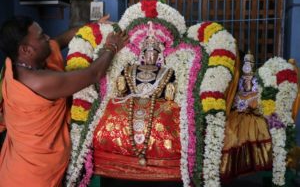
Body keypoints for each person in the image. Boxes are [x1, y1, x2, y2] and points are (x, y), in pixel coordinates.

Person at [0, 15, 128, 187]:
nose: (47, 38)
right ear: (26, 50)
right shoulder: (40, 81)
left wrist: (94, 28)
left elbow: (62, 39)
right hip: (33, 177)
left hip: (15, 166)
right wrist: (112, 46)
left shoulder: (17, 64)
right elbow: (93, 74)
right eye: (41, 36)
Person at [92, 21, 181, 181]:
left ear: (159, 55)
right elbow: (121, 89)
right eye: (147, 52)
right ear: (142, 53)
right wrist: (121, 84)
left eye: (154, 53)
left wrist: (169, 91)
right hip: (129, 101)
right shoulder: (130, 68)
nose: (150, 56)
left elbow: (169, 94)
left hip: (157, 104)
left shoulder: (167, 71)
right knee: (113, 115)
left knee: (166, 118)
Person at [220, 51, 272, 181]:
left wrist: (251, 100)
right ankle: (233, 166)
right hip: (237, 113)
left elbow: (256, 96)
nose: (247, 65)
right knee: (230, 133)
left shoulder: (256, 80)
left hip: (251, 114)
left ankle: (253, 163)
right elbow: (236, 94)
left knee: (255, 129)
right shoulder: (239, 79)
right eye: (246, 62)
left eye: (250, 62)